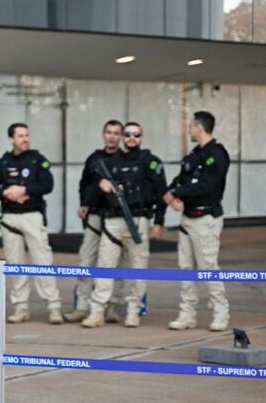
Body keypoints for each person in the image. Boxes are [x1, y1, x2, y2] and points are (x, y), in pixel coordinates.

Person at [81, 121, 167, 328]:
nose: (131, 138)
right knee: (105, 267)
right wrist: (101, 186)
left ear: (141, 138)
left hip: (138, 219)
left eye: (136, 135)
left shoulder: (150, 161)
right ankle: (97, 311)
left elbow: (161, 193)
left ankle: (133, 310)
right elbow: (89, 193)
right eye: (127, 134)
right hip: (112, 221)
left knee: (138, 268)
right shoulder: (108, 162)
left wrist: (159, 222)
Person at [0, 122, 63, 324]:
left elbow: (48, 185)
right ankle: (20, 307)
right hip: (10, 217)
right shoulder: (2, 163)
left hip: (32, 215)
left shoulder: (37, 160)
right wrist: (7, 193)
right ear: (11, 139)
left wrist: (24, 190)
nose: (25, 139)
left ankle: (53, 306)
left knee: (42, 261)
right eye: (20, 136)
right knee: (14, 263)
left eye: (26, 135)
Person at [161, 111, 230, 331]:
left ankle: (220, 313)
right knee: (185, 268)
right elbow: (180, 179)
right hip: (187, 219)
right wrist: (171, 194)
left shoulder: (217, 154)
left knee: (208, 267)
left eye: (191, 126)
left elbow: (206, 186)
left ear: (199, 127)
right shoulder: (194, 155)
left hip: (205, 218)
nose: (188, 130)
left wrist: (177, 192)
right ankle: (187, 314)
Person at [64, 120, 123, 323]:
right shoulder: (94, 158)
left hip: (116, 216)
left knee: (113, 263)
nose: (112, 136)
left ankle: (112, 306)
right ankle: (82, 305)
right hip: (95, 215)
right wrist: (84, 204)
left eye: (116, 133)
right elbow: (84, 184)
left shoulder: (125, 159)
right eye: (109, 132)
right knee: (86, 260)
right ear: (103, 134)